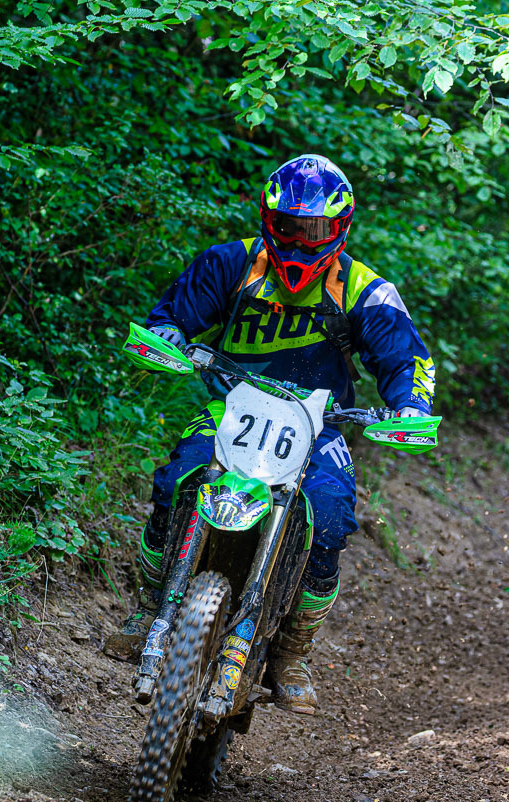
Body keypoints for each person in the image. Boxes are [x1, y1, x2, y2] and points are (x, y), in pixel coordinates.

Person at [103, 154, 436, 713]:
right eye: (288, 226)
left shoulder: (367, 291)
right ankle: (151, 607)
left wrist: (410, 406)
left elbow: (408, 361)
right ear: (267, 219)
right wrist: (167, 336)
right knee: (178, 478)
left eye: (315, 230)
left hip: (318, 425)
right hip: (231, 408)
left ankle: (290, 651)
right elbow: (172, 315)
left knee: (329, 515)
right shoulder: (230, 264)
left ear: (339, 229)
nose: (301, 241)